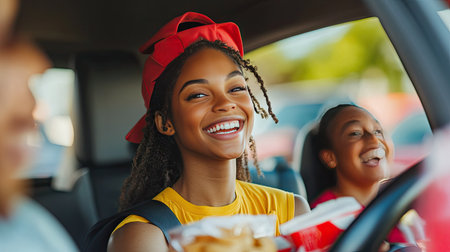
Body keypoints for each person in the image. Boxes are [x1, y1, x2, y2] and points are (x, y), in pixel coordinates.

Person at [108, 12, 310, 252]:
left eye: (236, 88)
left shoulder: (290, 211)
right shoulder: (143, 236)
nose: (225, 103)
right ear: (165, 122)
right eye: (198, 95)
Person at [311, 104, 421, 244]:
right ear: (330, 157)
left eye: (378, 131)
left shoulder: (399, 201)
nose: (374, 140)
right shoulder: (322, 222)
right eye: (355, 133)